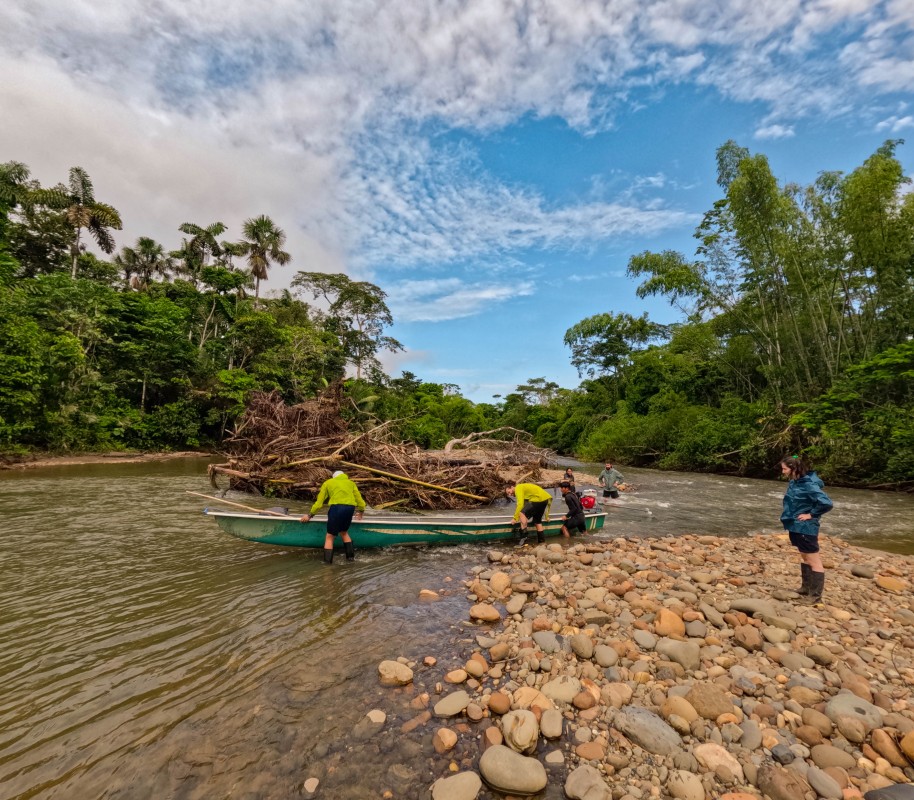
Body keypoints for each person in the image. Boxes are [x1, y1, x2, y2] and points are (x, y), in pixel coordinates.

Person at [779, 455, 833, 604]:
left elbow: (826, 503)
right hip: (795, 525)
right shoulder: (795, 482)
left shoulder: (809, 484)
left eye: (784, 469)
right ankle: (806, 588)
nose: (783, 472)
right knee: (804, 556)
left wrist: (811, 514)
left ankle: (815, 597)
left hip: (806, 528)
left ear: (793, 469)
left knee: (814, 560)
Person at [300, 470, 366, 564]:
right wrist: (361, 512)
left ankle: (327, 563)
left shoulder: (328, 483)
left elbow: (319, 503)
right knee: (344, 532)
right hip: (350, 508)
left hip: (337, 508)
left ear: (333, 477)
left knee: (330, 536)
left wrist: (310, 515)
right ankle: (351, 560)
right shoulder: (351, 483)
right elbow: (359, 500)